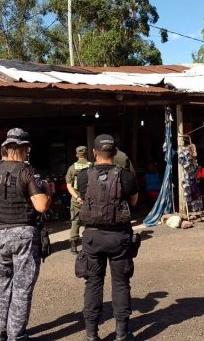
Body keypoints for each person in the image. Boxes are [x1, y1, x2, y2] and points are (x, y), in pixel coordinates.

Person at [0, 128, 51, 341]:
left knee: (3, 282)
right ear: (25, 148)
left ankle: (2, 331)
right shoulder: (28, 172)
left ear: (6, 147)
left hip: (0, 235)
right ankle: (16, 335)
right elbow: (40, 206)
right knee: (22, 287)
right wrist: (47, 190)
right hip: (24, 236)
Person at [76, 134, 139, 341]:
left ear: (94, 152)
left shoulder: (84, 175)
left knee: (93, 284)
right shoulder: (126, 175)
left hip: (93, 237)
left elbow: (84, 197)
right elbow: (134, 201)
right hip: (119, 237)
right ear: (115, 152)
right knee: (121, 284)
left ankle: (92, 334)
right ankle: (122, 333)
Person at [65, 145, 92, 254]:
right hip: (89, 198)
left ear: (77, 155)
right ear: (86, 154)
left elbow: (68, 185)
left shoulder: (72, 168)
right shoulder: (92, 166)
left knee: (75, 221)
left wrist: (77, 197)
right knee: (89, 222)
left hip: (76, 198)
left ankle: (73, 246)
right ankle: (87, 245)